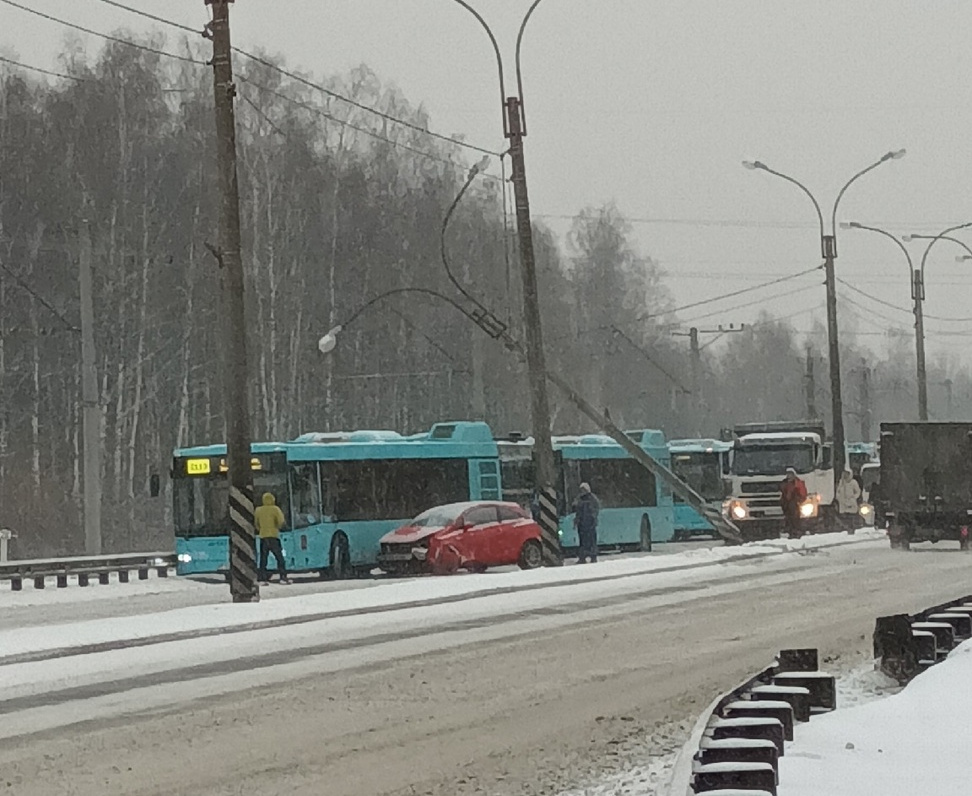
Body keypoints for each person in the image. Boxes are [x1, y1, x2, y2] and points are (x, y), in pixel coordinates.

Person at [255, 491, 289, 584]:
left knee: (263, 559)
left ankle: (262, 578)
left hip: (263, 537)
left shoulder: (258, 510)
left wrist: (262, 529)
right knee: (280, 558)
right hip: (274, 537)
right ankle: (282, 577)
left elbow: (256, 524)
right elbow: (281, 522)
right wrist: (277, 527)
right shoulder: (275, 509)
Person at [573, 482, 600, 564]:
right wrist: (576, 520)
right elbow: (578, 511)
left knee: (591, 540)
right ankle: (583, 557)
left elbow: (595, 509)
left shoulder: (591, 499)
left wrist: (593, 518)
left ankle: (592, 557)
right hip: (582, 524)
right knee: (583, 541)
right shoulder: (580, 499)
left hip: (589, 523)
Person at [779, 468, 808, 539]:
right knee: (788, 518)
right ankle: (790, 531)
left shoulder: (797, 483)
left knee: (795, 518)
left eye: (790, 474)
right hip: (786, 504)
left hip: (794, 504)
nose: (789, 476)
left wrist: (798, 500)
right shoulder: (784, 483)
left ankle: (795, 532)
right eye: (788, 474)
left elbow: (803, 493)